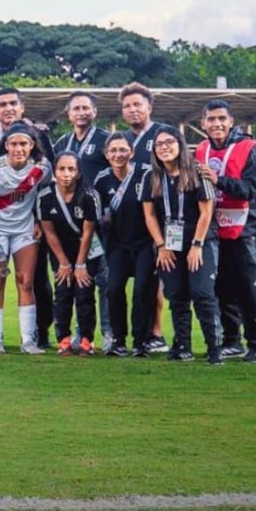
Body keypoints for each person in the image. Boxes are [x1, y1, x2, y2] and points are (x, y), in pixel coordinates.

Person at [0, 87, 56, 349]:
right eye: (14, 144)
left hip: (25, 231)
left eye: (24, 144)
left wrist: (40, 224)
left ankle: (28, 340)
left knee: (26, 282)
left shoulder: (42, 169)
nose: (19, 148)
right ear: (6, 145)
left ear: (32, 145)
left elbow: (45, 199)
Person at [195, 101, 256, 362]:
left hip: (244, 227)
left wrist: (218, 181)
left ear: (231, 121)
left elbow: (252, 188)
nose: (216, 124)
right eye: (211, 119)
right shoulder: (201, 149)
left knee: (249, 287)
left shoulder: (250, 148)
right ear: (203, 123)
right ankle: (231, 340)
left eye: (221, 119)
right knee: (221, 287)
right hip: (213, 228)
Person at [142, 127, 222, 364]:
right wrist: (161, 245)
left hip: (199, 240)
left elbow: (207, 211)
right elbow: (149, 215)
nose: (164, 147)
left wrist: (197, 245)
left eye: (169, 142)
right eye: (159, 144)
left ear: (180, 144)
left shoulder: (196, 172)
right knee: (176, 295)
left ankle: (214, 347)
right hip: (169, 243)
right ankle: (183, 346)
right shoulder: (152, 177)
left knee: (202, 293)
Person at [118, 82, 175, 354]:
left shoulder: (163, 135)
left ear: (149, 107)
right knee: (134, 285)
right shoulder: (121, 141)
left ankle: (157, 333)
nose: (132, 110)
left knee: (157, 284)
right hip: (129, 225)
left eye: (137, 104)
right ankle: (130, 335)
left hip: (160, 221)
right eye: (127, 106)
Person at [93, 132, 157, 358]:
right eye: (113, 150)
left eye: (122, 150)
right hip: (117, 245)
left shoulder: (147, 174)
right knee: (113, 289)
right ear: (106, 154)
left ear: (132, 152)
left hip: (145, 244)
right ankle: (118, 341)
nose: (118, 155)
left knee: (142, 291)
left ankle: (141, 342)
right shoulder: (101, 179)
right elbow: (97, 213)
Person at [38, 152, 102, 356]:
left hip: (87, 248)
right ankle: (63, 340)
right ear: (54, 172)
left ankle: (86, 341)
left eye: (71, 169)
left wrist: (81, 264)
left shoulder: (89, 195)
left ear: (78, 172)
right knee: (63, 291)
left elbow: (89, 231)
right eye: (61, 169)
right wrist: (64, 263)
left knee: (84, 292)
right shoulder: (45, 196)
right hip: (61, 250)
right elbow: (49, 231)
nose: (66, 174)